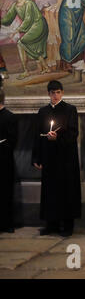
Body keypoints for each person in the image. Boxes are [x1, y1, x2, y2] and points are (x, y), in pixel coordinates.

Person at [32, 80, 81, 237]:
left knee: (67, 191)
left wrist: (57, 138)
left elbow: (73, 133)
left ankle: (67, 225)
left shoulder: (70, 110)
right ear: (48, 94)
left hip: (66, 158)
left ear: (62, 93)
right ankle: (51, 224)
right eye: (52, 93)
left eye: (58, 92)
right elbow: (38, 136)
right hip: (50, 158)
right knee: (50, 191)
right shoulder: (43, 112)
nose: (55, 95)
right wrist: (37, 157)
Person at [1, 0, 49, 79]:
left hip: (39, 25)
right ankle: (46, 67)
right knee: (28, 45)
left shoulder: (29, 3)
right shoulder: (15, 6)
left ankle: (26, 71)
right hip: (31, 27)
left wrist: (16, 31)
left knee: (21, 43)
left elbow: (28, 19)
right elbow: (7, 19)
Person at [0, 85, 18, 233]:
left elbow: (13, 140)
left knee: (5, 192)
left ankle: (7, 223)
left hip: (4, 160)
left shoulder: (10, 117)